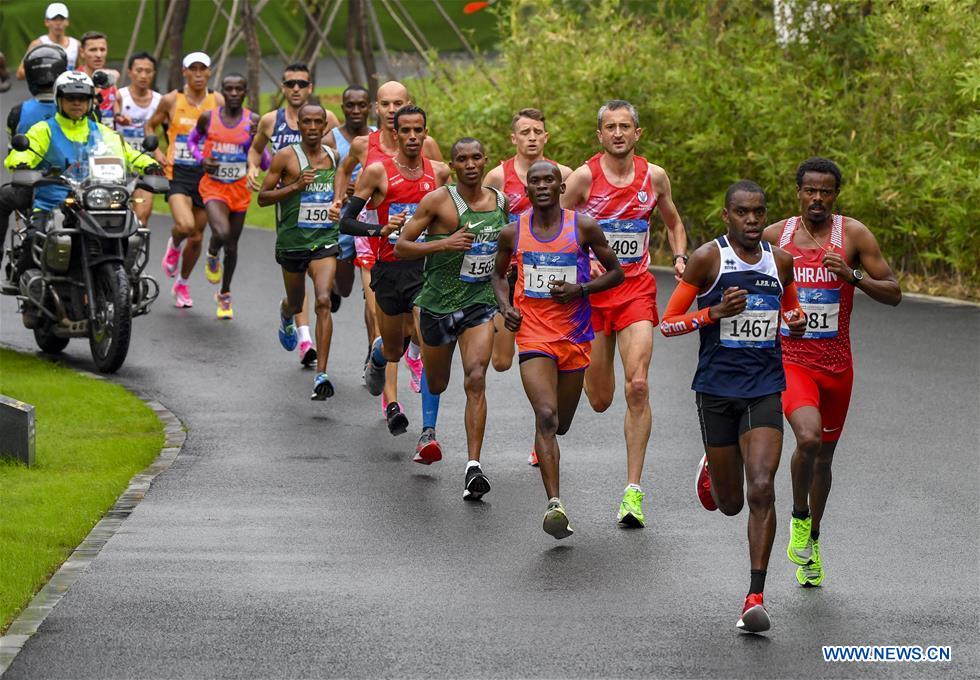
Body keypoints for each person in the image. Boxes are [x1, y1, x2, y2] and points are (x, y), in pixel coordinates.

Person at [659, 180, 805, 633]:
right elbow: (667, 323)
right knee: (730, 504)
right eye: (742, 212)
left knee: (762, 486)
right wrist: (713, 313)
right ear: (727, 216)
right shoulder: (708, 258)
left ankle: (755, 597)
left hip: (764, 387)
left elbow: (791, 313)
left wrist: (795, 323)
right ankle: (712, 467)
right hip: (716, 391)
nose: (752, 220)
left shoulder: (781, 262)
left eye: (759, 212)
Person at [763, 158, 901, 588]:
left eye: (825, 191)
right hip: (792, 360)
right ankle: (798, 516)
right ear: (798, 193)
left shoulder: (853, 235)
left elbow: (894, 292)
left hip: (838, 366)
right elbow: (746, 287)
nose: (817, 198)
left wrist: (853, 275)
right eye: (810, 190)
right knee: (807, 437)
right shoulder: (776, 237)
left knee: (823, 457)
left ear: (836, 194)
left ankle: (813, 542)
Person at [561, 99, 687, 528]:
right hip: (593, 296)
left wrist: (680, 255)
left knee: (638, 386)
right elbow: (555, 227)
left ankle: (633, 491)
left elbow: (673, 222)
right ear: (600, 135)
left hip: (634, 290)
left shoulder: (654, 177)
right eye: (610, 127)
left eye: (625, 126)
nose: (618, 133)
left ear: (638, 133)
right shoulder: (583, 179)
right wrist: (583, 261)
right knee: (600, 400)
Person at [491, 160, 624, 538]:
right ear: (527, 190)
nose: (542, 185)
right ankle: (554, 505)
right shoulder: (512, 232)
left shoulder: (583, 227)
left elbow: (617, 273)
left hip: (574, 338)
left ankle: (547, 444)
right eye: (535, 181)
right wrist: (506, 307)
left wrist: (581, 290)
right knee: (546, 416)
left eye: (549, 180)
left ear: (561, 187)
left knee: (560, 424)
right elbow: (498, 275)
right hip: (533, 336)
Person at [394, 137, 505, 496]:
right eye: (463, 159)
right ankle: (428, 430)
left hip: (479, 302)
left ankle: (473, 467)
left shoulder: (500, 201)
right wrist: (444, 243)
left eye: (476, 157)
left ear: (485, 160)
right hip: (438, 305)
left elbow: (508, 249)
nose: (470, 164)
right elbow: (402, 247)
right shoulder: (438, 201)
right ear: (453, 165)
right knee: (438, 381)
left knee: (476, 377)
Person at [340, 105, 451, 458]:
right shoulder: (378, 172)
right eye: (406, 131)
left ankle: (428, 433)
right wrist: (380, 229)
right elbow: (346, 221)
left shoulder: (439, 173)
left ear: (426, 132)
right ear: (396, 133)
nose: (413, 136)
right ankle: (376, 357)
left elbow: (451, 218)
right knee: (392, 349)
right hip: (390, 270)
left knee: (427, 340)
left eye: (419, 130)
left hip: (426, 270)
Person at [4, 70, 160, 277]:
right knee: (34, 239)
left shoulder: (103, 132)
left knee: (131, 232)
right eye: (71, 98)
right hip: (53, 203)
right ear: (59, 100)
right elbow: (24, 151)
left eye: (83, 98)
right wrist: (22, 163)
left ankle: (128, 280)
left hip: (96, 203)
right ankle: (20, 279)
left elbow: (129, 154)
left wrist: (150, 166)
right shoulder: (43, 130)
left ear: (90, 102)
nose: (77, 103)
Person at [485, 107, 573, 466]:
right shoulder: (497, 176)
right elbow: (487, 221)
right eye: (525, 132)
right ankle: (544, 412)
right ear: (514, 138)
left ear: (546, 137)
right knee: (501, 361)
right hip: (511, 277)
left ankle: (542, 427)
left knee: (547, 357)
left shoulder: (563, 175)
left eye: (538, 131)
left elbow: (576, 222)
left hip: (551, 280)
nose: (532, 137)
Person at [248, 62, 340, 365]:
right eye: (290, 84)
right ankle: (292, 318)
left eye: (302, 83)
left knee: (322, 290)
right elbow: (256, 150)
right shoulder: (271, 121)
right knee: (298, 293)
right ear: (283, 88)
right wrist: (252, 167)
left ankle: (307, 343)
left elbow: (343, 157)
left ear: (310, 87)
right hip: (289, 218)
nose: (296, 88)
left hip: (323, 227)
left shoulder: (330, 122)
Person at [259, 104, 341, 399]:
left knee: (323, 301)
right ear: (300, 125)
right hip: (293, 242)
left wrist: (340, 199)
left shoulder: (333, 156)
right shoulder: (285, 156)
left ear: (325, 126)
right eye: (307, 122)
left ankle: (322, 374)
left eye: (318, 122)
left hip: (324, 240)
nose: (313, 127)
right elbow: (263, 198)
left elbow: (337, 191)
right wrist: (295, 186)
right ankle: (286, 314)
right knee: (296, 303)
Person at [147, 52, 224, 309]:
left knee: (198, 237)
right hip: (178, 172)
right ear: (185, 72)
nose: (199, 74)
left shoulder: (217, 100)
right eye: (194, 69)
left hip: (207, 176)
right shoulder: (172, 99)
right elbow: (150, 126)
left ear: (209, 72)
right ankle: (174, 243)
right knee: (186, 225)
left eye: (203, 69)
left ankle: (182, 282)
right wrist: (157, 152)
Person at [187, 73, 260, 320]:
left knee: (232, 246)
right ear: (222, 91)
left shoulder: (253, 121)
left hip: (239, 190)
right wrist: (201, 159)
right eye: (229, 89)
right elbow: (192, 141)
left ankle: (225, 293)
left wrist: (256, 143)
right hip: (214, 187)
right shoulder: (209, 117)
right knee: (222, 232)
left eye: (239, 89)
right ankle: (211, 251)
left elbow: (264, 159)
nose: (233, 93)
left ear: (245, 92)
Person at [325, 86, 379, 379]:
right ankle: (334, 290)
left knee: (371, 294)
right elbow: (328, 174)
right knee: (344, 288)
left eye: (361, 105)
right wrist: (339, 194)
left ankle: (373, 349)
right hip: (347, 221)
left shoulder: (379, 137)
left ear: (369, 107)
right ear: (343, 107)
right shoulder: (332, 139)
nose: (356, 110)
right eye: (350, 105)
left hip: (372, 224)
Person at [1, 44, 67, 264]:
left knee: (2, 199)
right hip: (76, 185)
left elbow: (13, 153)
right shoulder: (80, 107)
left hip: (32, 187)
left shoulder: (18, 112)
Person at [114, 51, 162, 227]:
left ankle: (137, 244)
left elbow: (170, 129)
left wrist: (161, 153)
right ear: (130, 72)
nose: (143, 75)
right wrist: (118, 117)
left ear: (154, 73)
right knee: (114, 214)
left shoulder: (160, 101)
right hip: (118, 165)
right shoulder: (119, 96)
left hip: (144, 165)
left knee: (141, 217)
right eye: (139, 70)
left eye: (148, 71)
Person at [16, 3, 80, 77]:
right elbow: (20, 73)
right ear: (46, 22)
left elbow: (81, 70)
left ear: (67, 22)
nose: (58, 23)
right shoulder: (37, 45)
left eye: (61, 19)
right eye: (54, 19)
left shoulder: (76, 44)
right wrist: (41, 69)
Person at [77, 31, 119, 128]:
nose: (99, 55)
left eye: (102, 49)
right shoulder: (74, 79)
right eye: (93, 50)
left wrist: (119, 116)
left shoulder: (110, 79)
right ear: (82, 52)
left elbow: (114, 104)